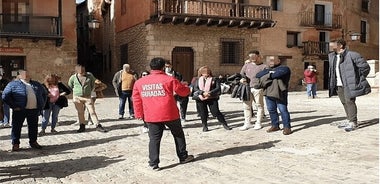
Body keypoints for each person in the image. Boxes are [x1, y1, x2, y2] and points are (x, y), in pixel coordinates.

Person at [132, 57, 194, 171]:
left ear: (150, 67)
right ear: (163, 67)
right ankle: (183, 157)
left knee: (154, 139)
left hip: (151, 115)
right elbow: (183, 92)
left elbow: (136, 100)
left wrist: (139, 114)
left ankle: (153, 163)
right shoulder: (169, 79)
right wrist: (187, 87)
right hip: (169, 113)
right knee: (178, 135)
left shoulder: (139, 82)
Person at [328, 39, 371, 132]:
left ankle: (353, 122)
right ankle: (349, 119)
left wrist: (357, 78)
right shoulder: (332, 57)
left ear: (340, 46)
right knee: (344, 102)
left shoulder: (352, 55)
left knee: (350, 101)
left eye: (332, 45)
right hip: (338, 84)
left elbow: (365, 67)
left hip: (349, 83)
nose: (330, 46)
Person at [2, 70, 47, 151]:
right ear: (19, 75)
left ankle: (33, 142)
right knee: (16, 127)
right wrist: (14, 106)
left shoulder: (37, 84)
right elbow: (5, 96)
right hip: (19, 110)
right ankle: (15, 144)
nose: (26, 75)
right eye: (23, 74)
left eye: (27, 73)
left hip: (33, 110)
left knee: (33, 127)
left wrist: (41, 105)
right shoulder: (13, 84)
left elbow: (44, 94)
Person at [256, 57, 292, 135]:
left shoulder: (284, 68)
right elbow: (258, 75)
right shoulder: (267, 69)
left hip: (280, 93)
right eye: (269, 60)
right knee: (271, 110)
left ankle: (287, 127)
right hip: (268, 92)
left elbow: (277, 74)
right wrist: (270, 72)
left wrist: (268, 74)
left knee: (283, 110)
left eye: (272, 60)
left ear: (278, 61)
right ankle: (275, 125)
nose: (270, 62)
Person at [68, 64, 107, 133]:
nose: (82, 72)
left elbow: (92, 85)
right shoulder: (73, 77)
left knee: (92, 111)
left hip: (87, 97)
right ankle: (82, 125)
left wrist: (88, 91)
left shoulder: (89, 76)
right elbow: (70, 85)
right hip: (77, 97)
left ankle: (97, 125)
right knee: (80, 112)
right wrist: (77, 92)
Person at [192, 66, 232, 132]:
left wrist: (210, 92)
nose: (206, 74)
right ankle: (205, 126)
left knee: (216, 112)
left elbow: (218, 88)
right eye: (204, 73)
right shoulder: (198, 79)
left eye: (207, 72)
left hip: (212, 97)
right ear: (201, 73)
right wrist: (202, 92)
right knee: (203, 113)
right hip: (201, 98)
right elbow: (195, 88)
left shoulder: (214, 79)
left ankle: (224, 124)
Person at [239, 50, 267, 131]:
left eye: (254, 56)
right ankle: (247, 123)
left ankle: (258, 123)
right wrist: (242, 79)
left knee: (259, 106)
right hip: (247, 88)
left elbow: (266, 78)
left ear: (258, 56)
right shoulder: (246, 65)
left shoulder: (264, 66)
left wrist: (260, 84)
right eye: (251, 57)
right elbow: (241, 74)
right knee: (246, 106)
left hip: (257, 88)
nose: (252, 58)